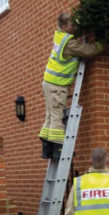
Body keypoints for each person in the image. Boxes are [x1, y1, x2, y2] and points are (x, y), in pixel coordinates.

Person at [39, 12, 104, 160]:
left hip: (49, 82)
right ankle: (57, 150)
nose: (74, 27)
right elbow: (88, 51)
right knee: (57, 116)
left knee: (50, 115)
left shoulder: (59, 36)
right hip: (56, 85)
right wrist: (102, 44)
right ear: (63, 26)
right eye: (71, 24)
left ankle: (47, 148)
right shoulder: (69, 42)